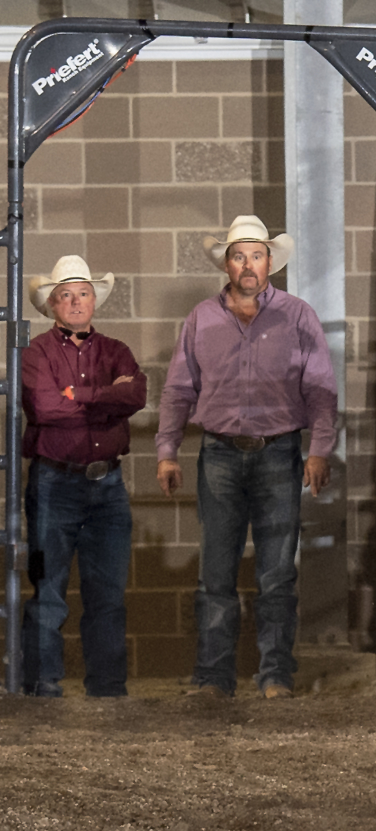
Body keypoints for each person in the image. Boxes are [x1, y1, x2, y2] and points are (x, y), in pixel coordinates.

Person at [156, 215, 338, 699]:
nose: (249, 265)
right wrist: (166, 451)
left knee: (277, 572)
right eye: (240, 256)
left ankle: (275, 673)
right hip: (218, 452)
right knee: (216, 570)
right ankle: (214, 676)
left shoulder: (298, 316)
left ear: (270, 262)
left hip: (280, 452)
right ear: (228, 264)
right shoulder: (201, 318)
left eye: (257, 255)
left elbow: (320, 389)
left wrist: (319, 449)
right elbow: (178, 389)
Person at [19, 256, 147, 698]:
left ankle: (108, 691)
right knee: (48, 591)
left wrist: (85, 395)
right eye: (66, 295)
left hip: (107, 485)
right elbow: (43, 408)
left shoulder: (115, 349)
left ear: (94, 301)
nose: (76, 302)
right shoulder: (36, 353)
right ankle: (41, 686)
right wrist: (107, 400)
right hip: (55, 483)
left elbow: (137, 394)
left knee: (108, 595)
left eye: (84, 293)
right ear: (53, 305)